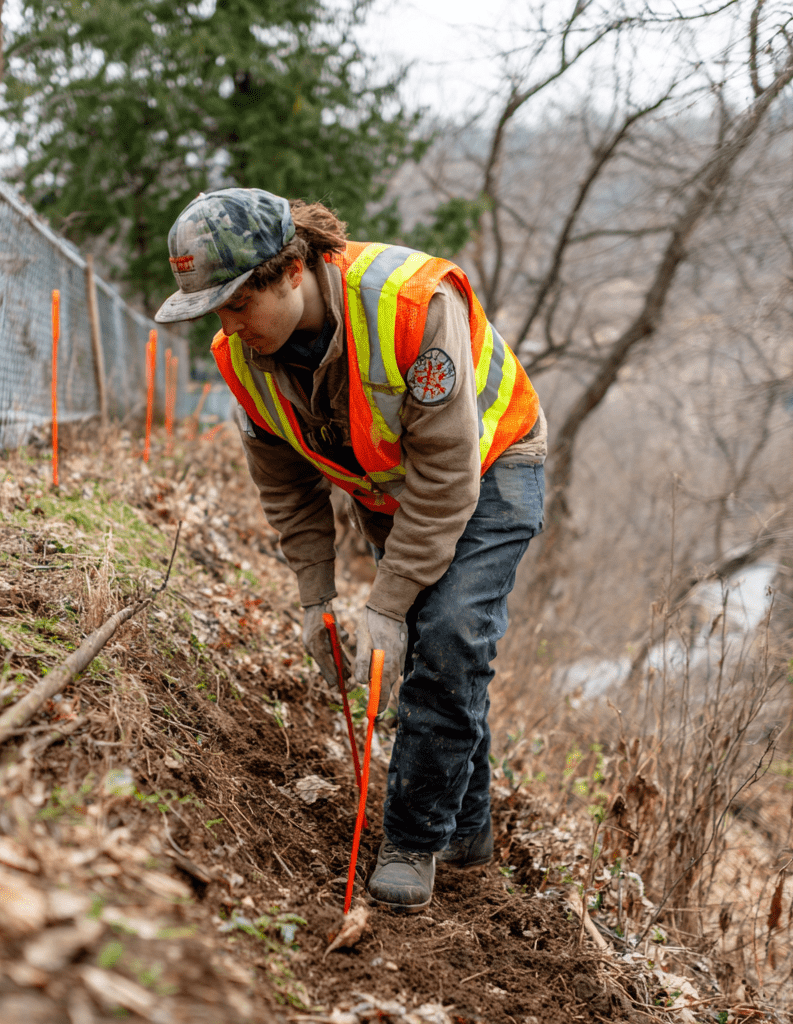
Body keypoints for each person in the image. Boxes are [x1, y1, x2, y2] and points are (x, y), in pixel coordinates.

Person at [155, 188, 547, 913]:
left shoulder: (413, 307)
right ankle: (466, 830)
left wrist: (389, 606)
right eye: (215, 311)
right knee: (439, 646)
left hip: (491, 465)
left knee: (450, 633)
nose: (230, 327)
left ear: (290, 271)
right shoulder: (242, 359)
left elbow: (447, 476)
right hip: (390, 490)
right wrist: (317, 601)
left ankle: (413, 839)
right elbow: (288, 492)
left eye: (239, 303)